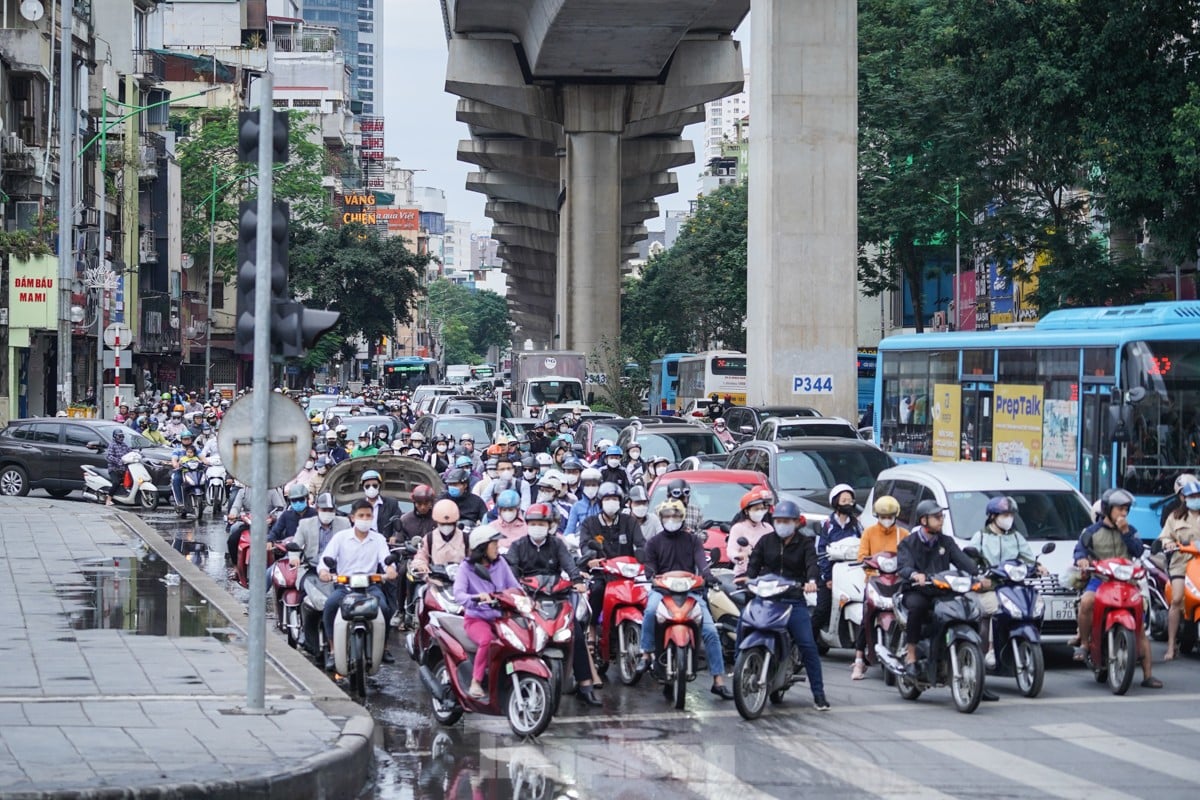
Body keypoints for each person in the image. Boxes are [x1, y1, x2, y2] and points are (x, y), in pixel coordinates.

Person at [633, 499, 733, 699]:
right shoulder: (654, 542)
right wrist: (650, 573)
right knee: (650, 612)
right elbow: (650, 565)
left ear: (683, 518)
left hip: (690, 592)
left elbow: (701, 563)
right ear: (661, 518)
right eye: (668, 516)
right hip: (662, 591)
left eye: (676, 516)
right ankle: (646, 653)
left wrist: (709, 576)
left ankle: (718, 680)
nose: (672, 520)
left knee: (711, 631)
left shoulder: (693, 540)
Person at [504, 503, 600, 705]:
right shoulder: (518, 546)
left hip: (556, 597)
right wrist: (517, 591)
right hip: (529, 600)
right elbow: (511, 573)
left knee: (576, 634)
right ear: (527, 525)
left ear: (549, 526)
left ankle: (585, 685)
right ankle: (515, 681)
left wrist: (578, 581)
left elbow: (569, 565)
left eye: (541, 523)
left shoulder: (557, 544)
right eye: (533, 523)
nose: (537, 527)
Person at [898, 500, 995, 697]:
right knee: (917, 608)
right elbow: (904, 566)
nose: (941, 520)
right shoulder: (909, 542)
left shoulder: (946, 541)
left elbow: (964, 562)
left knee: (970, 609)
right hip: (918, 590)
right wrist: (915, 574)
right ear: (924, 520)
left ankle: (976, 676)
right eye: (937, 517)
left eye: (941, 516)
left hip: (943, 590)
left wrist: (979, 575)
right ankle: (911, 656)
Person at [739, 499, 829, 710]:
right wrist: (747, 579)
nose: (782, 524)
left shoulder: (805, 543)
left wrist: (812, 582)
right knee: (743, 624)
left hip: (792, 600)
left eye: (786, 521)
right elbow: (753, 567)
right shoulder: (765, 541)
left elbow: (812, 565)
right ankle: (740, 667)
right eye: (778, 520)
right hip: (766, 599)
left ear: (796, 523)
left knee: (807, 644)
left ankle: (819, 694)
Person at [1071, 488, 1161, 687]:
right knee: (1087, 601)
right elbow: (1079, 552)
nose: (1123, 513)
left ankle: (1147, 675)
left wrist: (1125, 532)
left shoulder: (1131, 531)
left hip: (1127, 581)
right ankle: (1084, 644)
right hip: (1100, 579)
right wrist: (1083, 561)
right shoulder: (1091, 532)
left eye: (1126, 509)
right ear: (1107, 509)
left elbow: (1138, 551)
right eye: (1120, 509)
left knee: (1140, 623)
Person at [967, 496, 1047, 670]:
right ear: (993, 516)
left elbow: (1028, 558)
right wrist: (979, 575)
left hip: (1013, 586)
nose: (1009, 518)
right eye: (1004, 514)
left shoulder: (1016, 537)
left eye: (1011, 514)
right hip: (991, 587)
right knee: (997, 609)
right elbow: (970, 559)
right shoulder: (981, 536)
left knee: (1032, 606)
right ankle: (991, 649)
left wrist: (1038, 566)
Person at [318, 499, 398, 671]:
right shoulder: (340, 538)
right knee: (330, 606)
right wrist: (324, 572)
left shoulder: (378, 539)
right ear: (352, 518)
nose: (365, 519)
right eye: (361, 515)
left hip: (371, 587)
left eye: (368, 515)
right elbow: (324, 562)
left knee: (384, 608)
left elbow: (387, 561)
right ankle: (333, 650)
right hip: (345, 587)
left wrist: (390, 570)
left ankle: (383, 648)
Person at [453, 524, 521, 699]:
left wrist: (522, 598)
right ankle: (476, 681)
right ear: (482, 547)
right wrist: (476, 598)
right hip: (476, 619)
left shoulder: (501, 563)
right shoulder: (466, 568)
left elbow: (514, 586)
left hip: (501, 618)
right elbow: (459, 594)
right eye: (494, 545)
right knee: (486, 640)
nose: (498, 548)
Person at [850, 495, 909, 679]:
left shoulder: (904, 535)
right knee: (866, 618)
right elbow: (862, 556)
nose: (886, 519)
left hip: (897, 583)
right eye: (883, 516)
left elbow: (909, 557)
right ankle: (859, 661)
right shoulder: (869, 533)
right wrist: (870, 568)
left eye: (890, 516)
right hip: (875, 582)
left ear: (896, 516)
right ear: (877, 516)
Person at [293, 493, 349, 655]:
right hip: (311, 570)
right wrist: (294, 558)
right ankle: (304, 629)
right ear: (317, 509)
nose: (327, 513)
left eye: (331, 509)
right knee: (305, 596)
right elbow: (296, 544)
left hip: (336, 571)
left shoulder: (344, 523)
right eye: (324, 509)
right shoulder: (305, 524)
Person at [814, 483, 863, 639]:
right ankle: (808, 639)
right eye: (844, 500)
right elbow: (820, 550)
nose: (848, 504)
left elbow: (863, 546)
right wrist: (827, 577)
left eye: (850, 500)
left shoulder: (857, 525)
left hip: (851, 572)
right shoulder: (827, 525)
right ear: (836, 503)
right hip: (829, 573)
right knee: (823, 608)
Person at [1158, 480, 1200, 660]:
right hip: (1181, 564)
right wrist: (1169, 544)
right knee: (1176, 600)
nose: (1195, 499)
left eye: (1198, 496)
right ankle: (1171, 645)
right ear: (1184, 498)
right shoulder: (1175, 517)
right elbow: (1165, 537)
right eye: (1192, 497)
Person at [727, 488, 775, 578]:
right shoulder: (738, 528)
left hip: (767, 574)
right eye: (756, 509)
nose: (760, 512)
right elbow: (731, 550)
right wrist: (739, 556)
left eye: (762, 509)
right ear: (746, 511)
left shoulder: (768, 528)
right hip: (744, 573)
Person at [565, 468, 603, 534]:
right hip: (582, 539)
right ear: (583, 486)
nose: (590, 488)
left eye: (594, 485)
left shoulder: (603, 505)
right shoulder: (577, 506)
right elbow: (570, 529)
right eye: (587, 485)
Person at [104, 429, 132, 506]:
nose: (121, 438)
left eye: (122, 436)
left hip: (123, 469)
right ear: (115, 437)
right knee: (116, 483)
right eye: (120, 436)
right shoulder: (112, 445)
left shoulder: (124, 445)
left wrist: (138, 455)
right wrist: (119, 461)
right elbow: (109, 456)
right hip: (114, 469)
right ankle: (108, 499)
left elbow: (130, 451)